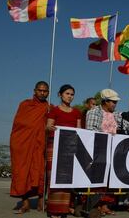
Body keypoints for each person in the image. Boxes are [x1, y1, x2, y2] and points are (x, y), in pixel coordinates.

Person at [86, 89, 129, 215]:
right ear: (105, 102)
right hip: (98, 150)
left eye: (115, 102)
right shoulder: (93, 113)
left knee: (109, 178)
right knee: (98, 178)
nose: (115, 104)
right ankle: (95, 205)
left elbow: (127, 125)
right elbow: (90, 131)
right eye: (113, 102)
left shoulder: (116, 115)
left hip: (112, 151)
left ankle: (105, 205)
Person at [10, 81, 50, 214]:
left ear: (48, 93)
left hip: (40, 145)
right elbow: (19, 124)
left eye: (45, 91)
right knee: (22, 172)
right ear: (35, 91)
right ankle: (25, 202)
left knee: (40, 172)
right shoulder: (25, 105)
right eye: (40, 90)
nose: (42, 93)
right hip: (24, 144)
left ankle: (40, 199)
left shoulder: (49, 108)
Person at [46, 84, 82, 218]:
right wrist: (51, 128)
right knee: (53, 177)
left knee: (66, 178)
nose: (70, 96)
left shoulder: (77, 112)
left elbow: (79, 131)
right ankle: (53, 209)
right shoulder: (54, 110)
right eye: (67, 93)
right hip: (55, 146)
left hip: (69, 148)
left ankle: (63, 210)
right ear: (60, 94)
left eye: (72, 94)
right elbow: (48, 126)